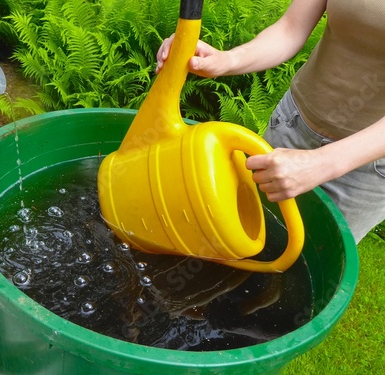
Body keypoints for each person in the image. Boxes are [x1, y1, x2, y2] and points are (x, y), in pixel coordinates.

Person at [156, 0, 385, 243]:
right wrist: (226, 60)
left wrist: (322, 163)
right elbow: (290, 28)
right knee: (239, 227)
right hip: (293, 121)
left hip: (364, 168)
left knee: (308, 257)